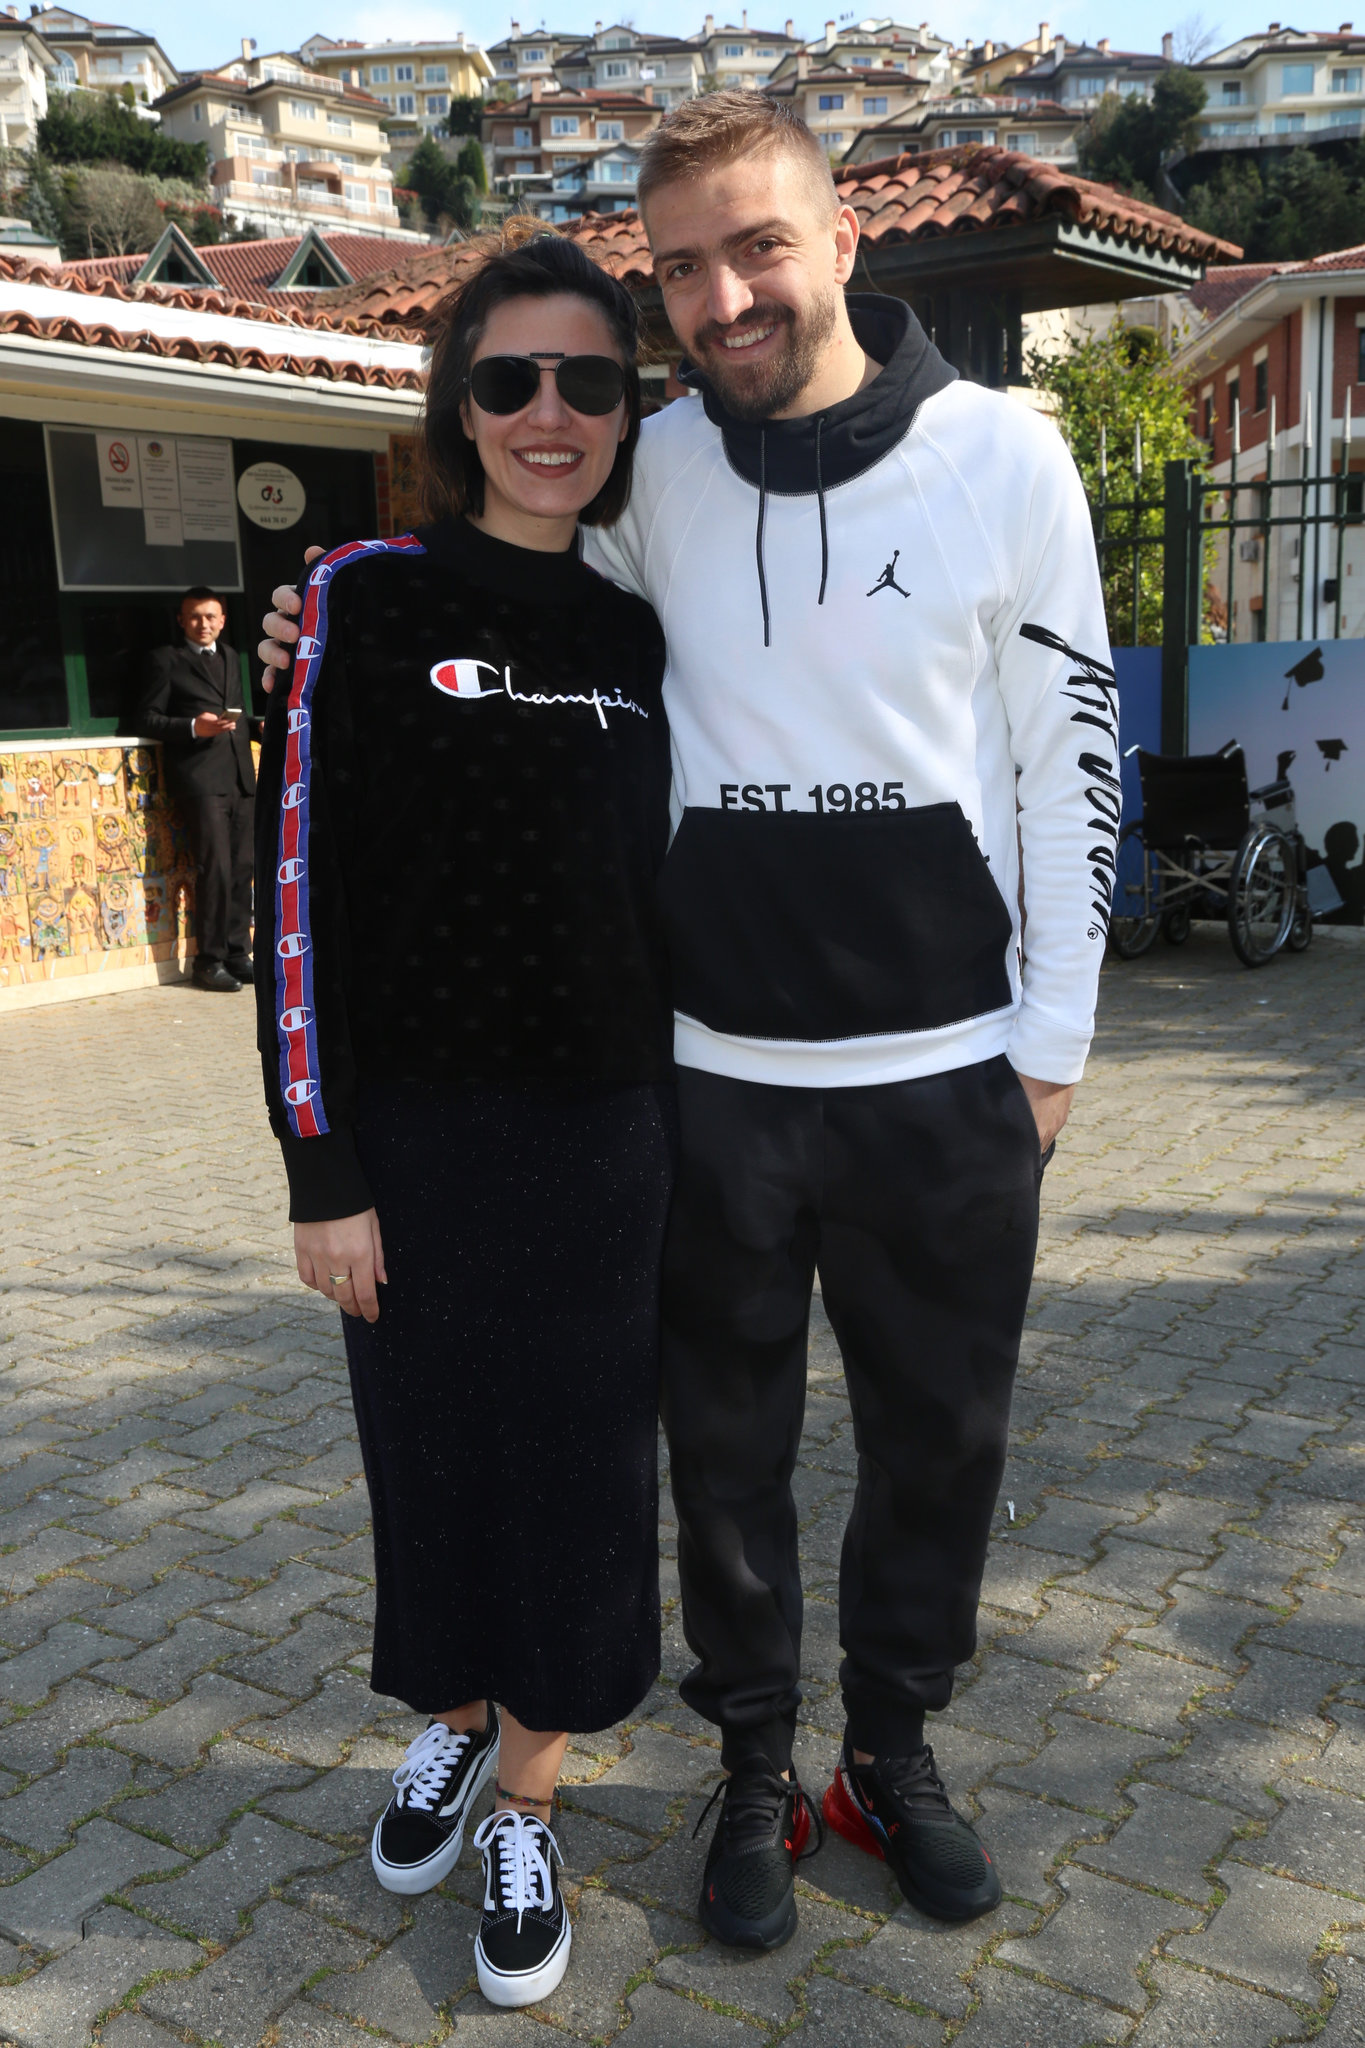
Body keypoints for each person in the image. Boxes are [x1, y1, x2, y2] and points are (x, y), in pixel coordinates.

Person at [260, 93, 1116, 1957]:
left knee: (938, 1453)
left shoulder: (1007, 455)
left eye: (761, 246)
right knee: (722, 1467)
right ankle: (752, 1770)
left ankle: (889, 1755)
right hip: (712, 1084)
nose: (726, 296)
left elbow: (1069, 754)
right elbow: (504, 600)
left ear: (842, 242)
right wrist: (315, 634)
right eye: (687, 267)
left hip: (949, 1079)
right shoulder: (648, 468)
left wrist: (1051, 1045)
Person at [253, 229, 675, 2009]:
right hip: (414, 1145)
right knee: (427, 1463)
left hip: (607, 1138)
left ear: (625, 411)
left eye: (588, 381)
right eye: (511, 379)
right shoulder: (358, 599)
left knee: (579, 1479)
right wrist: (321, 1163)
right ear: (459, 406)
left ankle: (527, 1797)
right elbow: (294, 898)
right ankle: (447, 1718)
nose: (548, 413)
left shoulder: (643, 629)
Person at [136, 588, 256, 993]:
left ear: (222, 620)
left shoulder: (231, 656)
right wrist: (192, 727)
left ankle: (238, 953)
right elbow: (147, 718)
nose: (203, 624)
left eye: (210, 616)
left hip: (240, 778)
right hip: (201, 781)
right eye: (194, 617)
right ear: (181, 620)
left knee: (242, 868)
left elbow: (236, 714)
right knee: (215, 869)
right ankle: (209, 960)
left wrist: (258, 727)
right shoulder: (165, 660)